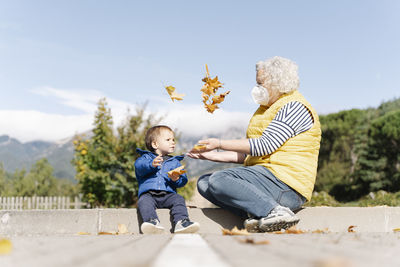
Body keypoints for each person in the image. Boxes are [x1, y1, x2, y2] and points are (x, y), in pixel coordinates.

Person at [187, 56, 321, 232]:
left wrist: (220, 142)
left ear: (278, 82)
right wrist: (212, 155)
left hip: (287, 186)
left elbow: (265, 145)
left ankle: (276, 211)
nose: (257, 88)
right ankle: (260, 216)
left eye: (261, 83)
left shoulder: (294, 107)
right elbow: (250, 155)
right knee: (204, 182)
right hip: (267, 179)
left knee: (219, 179)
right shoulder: (266, 110)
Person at [135, 125, 200, 234]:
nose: (173, 142)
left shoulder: (174, 162)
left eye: (173, 140)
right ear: (155, 144)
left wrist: (177, 179)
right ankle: (152, 222)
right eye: (168, 140)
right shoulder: (145, 158)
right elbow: (139, 167)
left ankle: (182, 222)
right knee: (143, 201)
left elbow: (183, 181)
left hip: (168, 194)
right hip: (149, 194)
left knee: (179, 199)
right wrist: (151, 165)